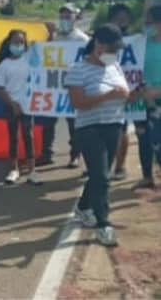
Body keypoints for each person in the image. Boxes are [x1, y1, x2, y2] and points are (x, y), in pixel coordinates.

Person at [66, 24, 131, 247]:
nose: (115, 53)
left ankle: (84, 207)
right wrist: (108, 95)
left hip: (114, 125)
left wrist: (131, 94)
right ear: (98, 45)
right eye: (112, 48)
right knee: (102, 177)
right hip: (89, 128)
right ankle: (103, 225)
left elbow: (124, 96)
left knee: (98, 175)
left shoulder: (115, 66)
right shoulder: (78, 69)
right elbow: (78, 103)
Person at [38, 3, 91, 168]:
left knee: (73, 124)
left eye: (68, 16)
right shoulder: (56, 37)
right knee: (48, 122)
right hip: (54, 87)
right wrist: (49, 35)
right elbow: (44, 53)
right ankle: (47, 153)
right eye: (62, 16)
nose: (64, 20)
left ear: (76, 18)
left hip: (74, 87)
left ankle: (75, 155)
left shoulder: (83, 39)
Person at [0, 29, 42, 186]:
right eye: (15, 42)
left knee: (29, 136)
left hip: (28, 106)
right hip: (12, 106)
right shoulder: (5, 64)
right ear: (9, 43)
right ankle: (14, 170)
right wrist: (12, 104)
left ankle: (32, 171)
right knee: (13, 137)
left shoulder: (30, 59)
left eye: (21, 42)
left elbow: (50, 57)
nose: (18, 45)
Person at [107, 3, 134, 180]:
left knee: (122, 130)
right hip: (103, 90)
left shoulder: (134, 39)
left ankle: (120, 166)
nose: (121, 21)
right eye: (118, 17)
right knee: (100, 131)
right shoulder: (100, 37)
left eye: (124, 17)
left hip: (125, 90)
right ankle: (99, 166)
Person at [137, 6, 161, 189]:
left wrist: (157, 91)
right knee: (143, 138)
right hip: (143, 99)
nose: (146, 26)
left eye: (149, 22)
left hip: (158, 99)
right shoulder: (142, 44)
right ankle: (147, 176)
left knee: (158, 140)